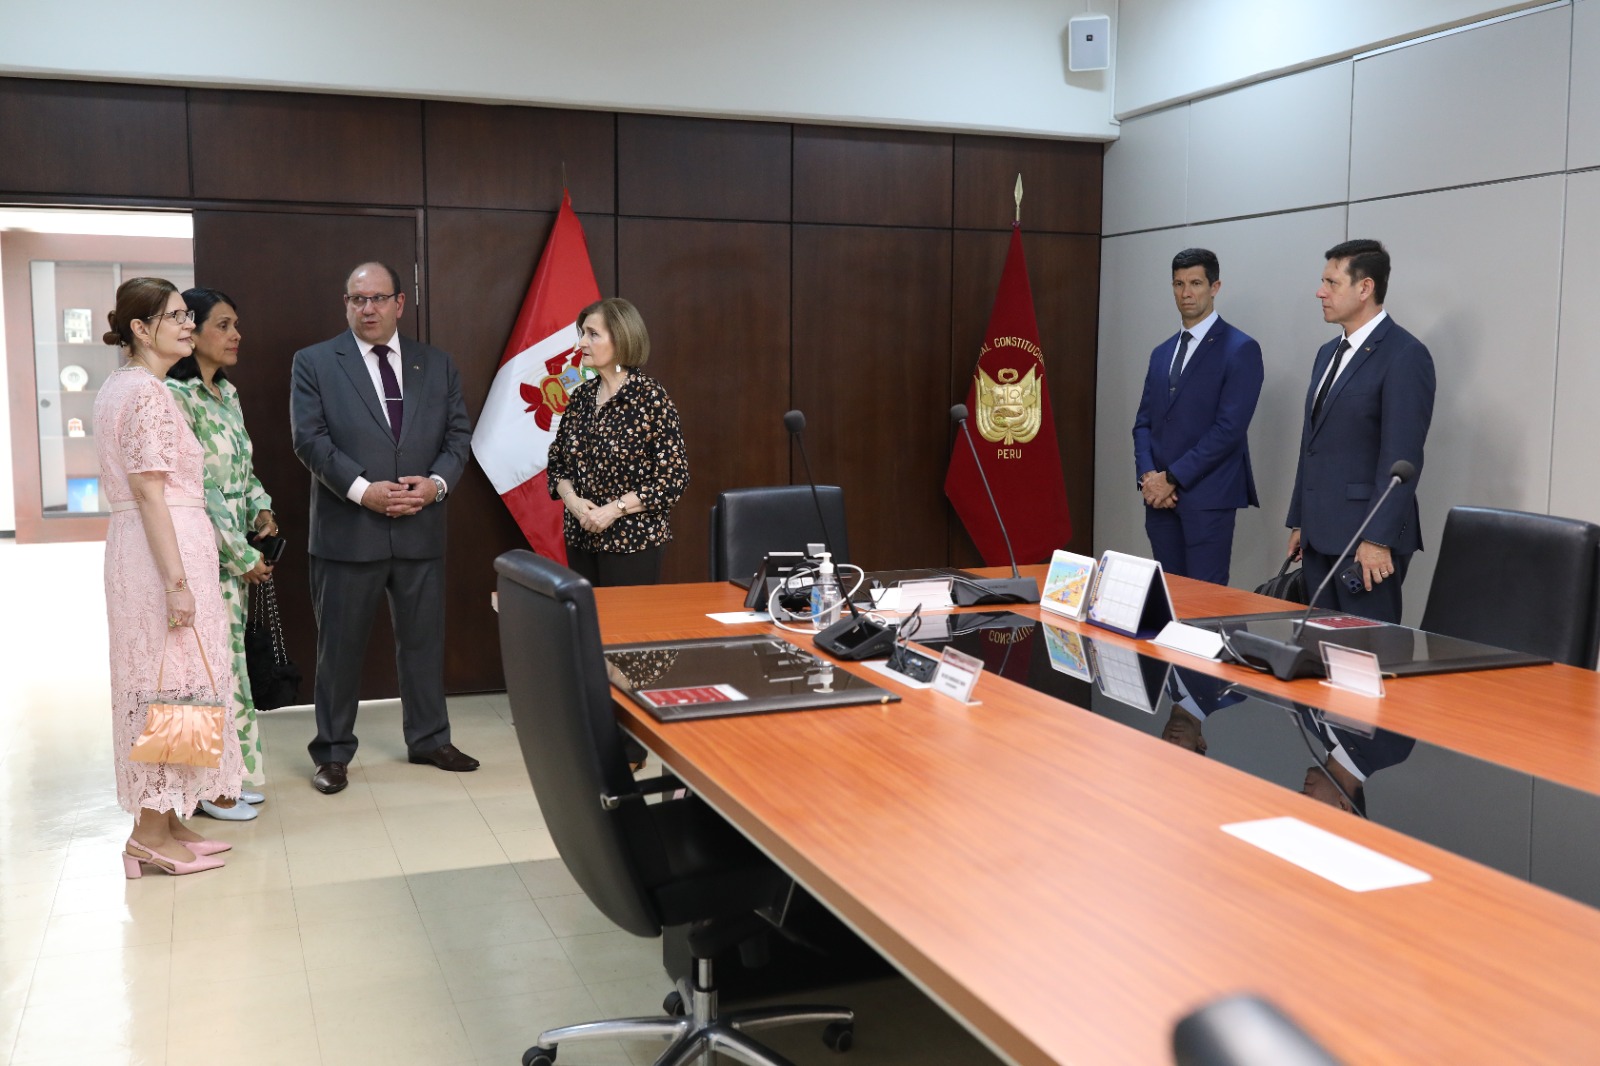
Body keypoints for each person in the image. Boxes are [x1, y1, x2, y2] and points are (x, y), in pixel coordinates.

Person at [289, 261, 475, 795]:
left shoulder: (435, 364)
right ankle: (332, 753)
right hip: (348, 531)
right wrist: (362, 490)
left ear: (399, 303)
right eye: (357, 299)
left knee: (423, 644)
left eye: (377, 298)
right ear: (346, 304)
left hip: (420, 527)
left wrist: (435, 485)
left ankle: (430, 739)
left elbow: (458, 436)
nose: (367, 308)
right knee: (339, 651)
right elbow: (309, 440)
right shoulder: (315, 362)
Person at [95, 277, 243, 876]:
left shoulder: (124, 386)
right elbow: (150, 492)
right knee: (173, 686)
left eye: (187, 315)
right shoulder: (147, 394)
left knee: (176, 682)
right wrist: (177, 584)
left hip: (149, 549)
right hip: (162, 555)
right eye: (176, 316)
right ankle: (149, 833)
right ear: (140, 328)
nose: (188, 325)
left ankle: (170, 817)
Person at [1287, 240, 1435, 625]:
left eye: (1331, 283)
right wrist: (1301, 520)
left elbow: (1402, 457)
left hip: (1366, 542)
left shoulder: (1405, 355)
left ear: (1365, 287)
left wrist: (1377, 538)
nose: (1320, 292)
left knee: (1366, 649)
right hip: (1319, 535)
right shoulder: (1326, 353)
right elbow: (1312, 443)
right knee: (1319, 647)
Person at [167, 288, 274, 820]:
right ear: (193, 333)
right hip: (195, 552)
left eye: (236, 324)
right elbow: (196, 488)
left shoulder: (226, 394)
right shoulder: (174, 396)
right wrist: (240, 555)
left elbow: (241, 472)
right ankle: (195, 788)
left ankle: (227, 775)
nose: (236, 336)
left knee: (228, 668)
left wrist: (261, 509)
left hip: (229, 556)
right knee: (194, 672)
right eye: (224, 325)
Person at [1132, 248, 1264, 585]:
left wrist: (1172, 478)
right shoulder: (1161, 353)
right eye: (1179, 284)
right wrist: (1149, 477)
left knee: (1205, 602)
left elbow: (1229, 430)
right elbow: (1143, 423)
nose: (1186, 293)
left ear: (1214, 287)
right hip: (1159, 500)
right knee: (1169, 596)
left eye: (1195, 283)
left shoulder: (1240, 349)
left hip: (1208, 497)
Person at [548, 297, 690, 587]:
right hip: (580, 539)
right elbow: (557, 463)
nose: (581, 343)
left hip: (633, 543)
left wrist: (613, 510)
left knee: (626, 619)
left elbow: (673, 478)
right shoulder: (581, 397)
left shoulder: (650, 398)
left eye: (593, 334)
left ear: (621, 340)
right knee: (585, 617)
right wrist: (573, 501)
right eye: (583, 334)